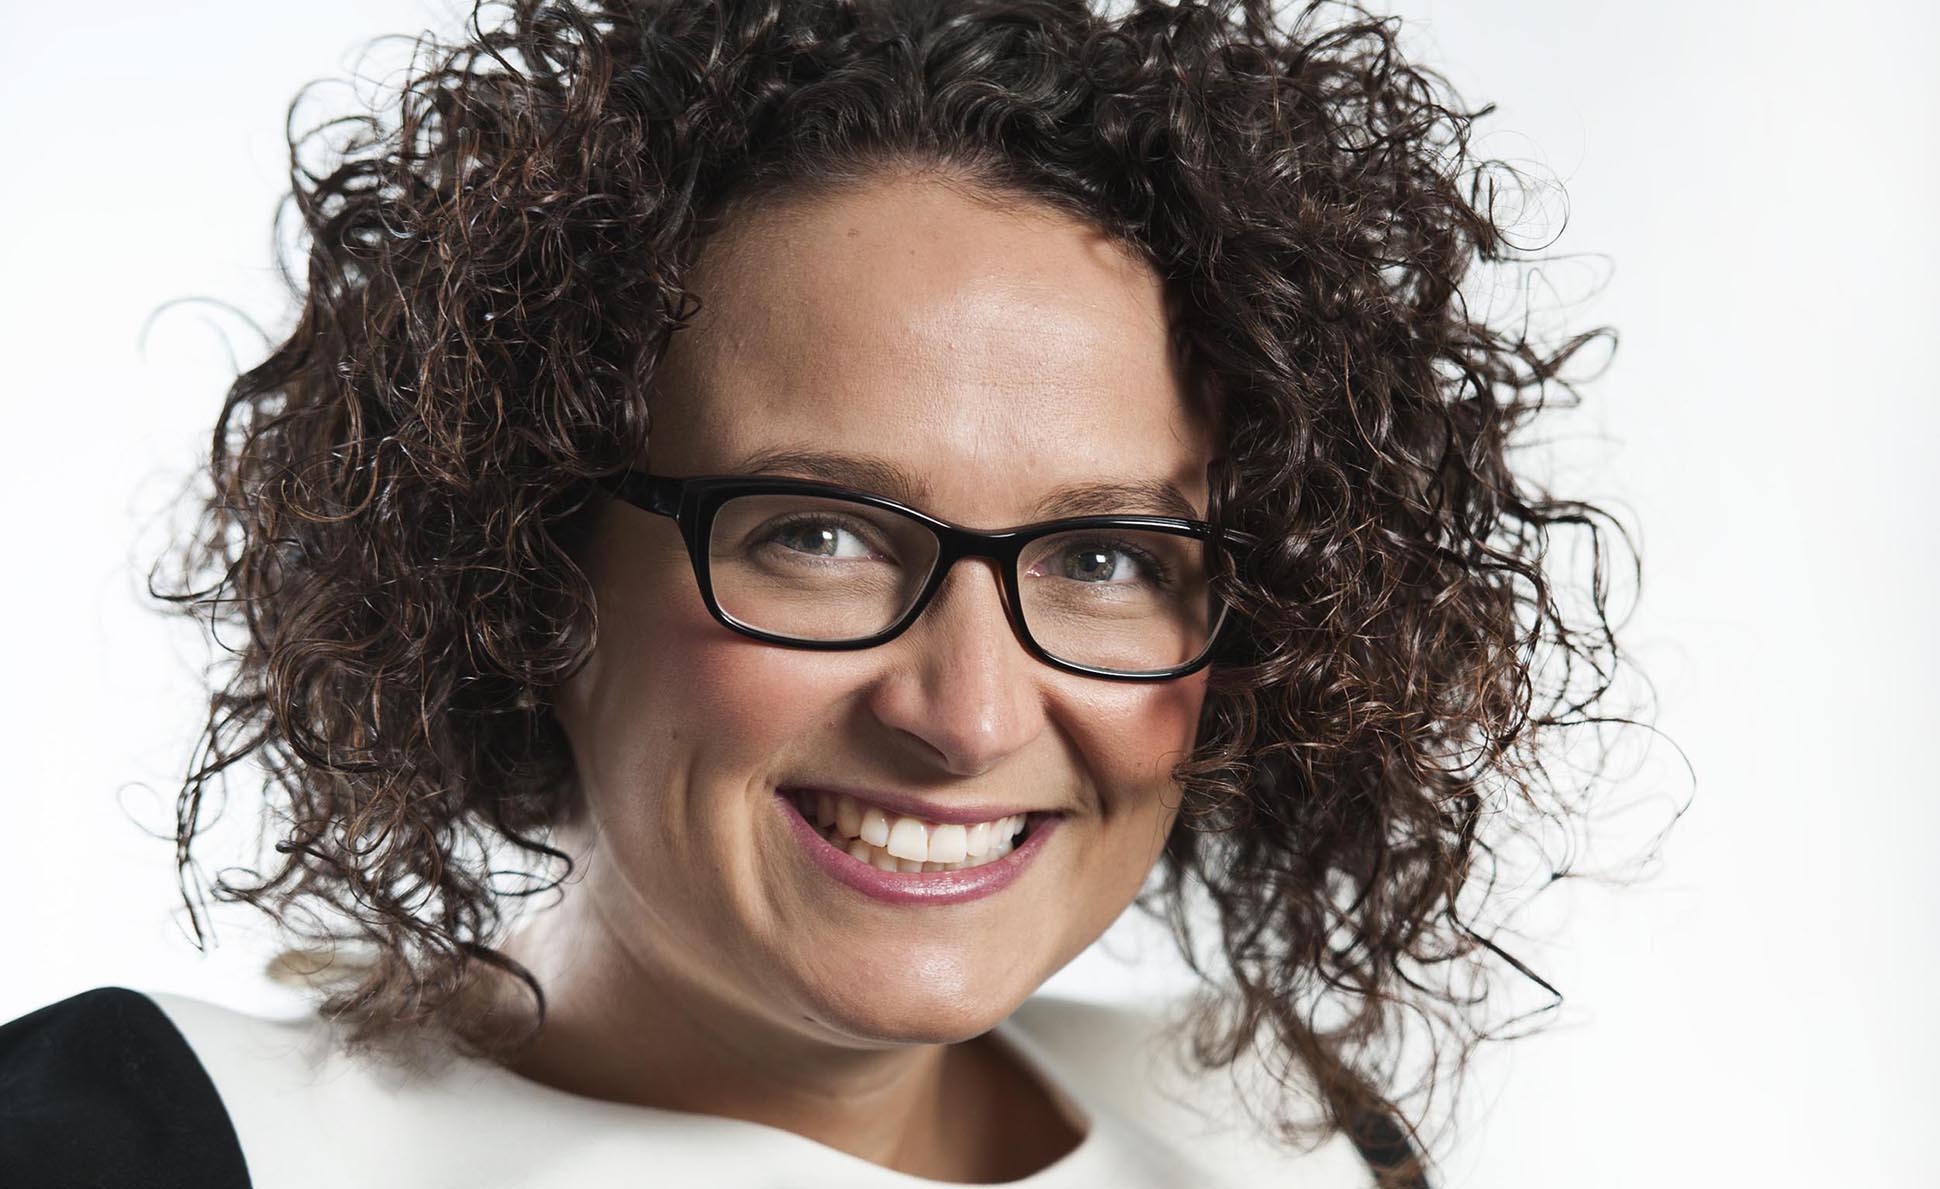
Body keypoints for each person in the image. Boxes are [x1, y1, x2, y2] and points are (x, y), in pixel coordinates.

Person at [0, 0, 1631, 1185]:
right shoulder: (147, 1140)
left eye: (1108, 558)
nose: (968, 713)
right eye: (822, 534)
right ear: (531, 570)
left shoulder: (1281, 1135)